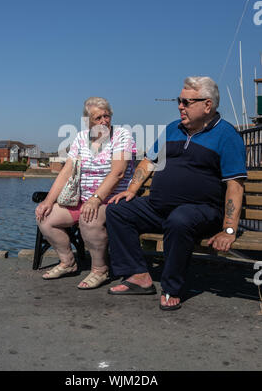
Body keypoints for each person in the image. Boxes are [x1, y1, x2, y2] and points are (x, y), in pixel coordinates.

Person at [105, 77, 246, 310]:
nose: (180, 106)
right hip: (159, 207)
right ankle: (138, 276)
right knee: (118, 211)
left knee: (179, 220)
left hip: (202, 211)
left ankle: (172, 287)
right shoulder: (173, 129)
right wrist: (131, 190)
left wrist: (229, 230)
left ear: (207, 105)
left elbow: (235, 185)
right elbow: (149, 162)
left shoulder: (227, 135)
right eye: (179, 101)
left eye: (186, 102)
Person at [35, 96, 136, 289]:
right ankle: (68, 263)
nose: (104, 121)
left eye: (106, 116)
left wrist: (96, 199)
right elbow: (66, 171)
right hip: (82, 199)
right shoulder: (81, 138)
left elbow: (118, 172)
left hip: (111, 200)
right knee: (45, 218)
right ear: (87, 122)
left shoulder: (122, 135)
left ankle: (100, 270)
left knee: (88, 218)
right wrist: (48, 201)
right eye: (98, 118)